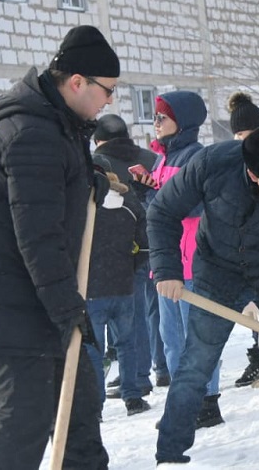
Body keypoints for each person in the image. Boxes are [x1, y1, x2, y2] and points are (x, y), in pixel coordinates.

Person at [0, 25, 119, 469]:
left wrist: (85, 181)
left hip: (39, 301)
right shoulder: (33, 133)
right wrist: (67, 307)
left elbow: (46, 195)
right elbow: (37, 234)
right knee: (22, 424)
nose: (110, 102)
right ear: (77, 82)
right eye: (108, 90)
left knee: (79, 417)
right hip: (14, 307)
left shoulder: (54, 123)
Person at [150, 124, 259, 464]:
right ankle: (169, 455)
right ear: (254, 174)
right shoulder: (212, 164)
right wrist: (166, 270)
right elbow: (163, 212)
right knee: (196, 365)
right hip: (219, 273)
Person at [134, 90, 222, 427]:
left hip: (193, 264)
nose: (155, 124)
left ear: (182, 122)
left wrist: (156, 195)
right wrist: (146, 189)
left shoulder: (195, 157)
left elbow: (196, 205)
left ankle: (207, 401)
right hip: (166, 263)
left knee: (197, 337)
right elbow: (159, 210)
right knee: (170, 339)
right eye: (155, 117)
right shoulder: (162, 159)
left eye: (162, 117)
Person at [92, 114, 169, 398]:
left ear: (98, 140)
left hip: (123, 251)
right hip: (160, 242)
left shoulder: (97, 163)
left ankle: (137, 376)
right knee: (158, 309)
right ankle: (163, 367)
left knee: (131, 316)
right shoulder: (152, 158)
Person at [83, 171, 151, 416]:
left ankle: (96, 405)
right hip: (124, 287)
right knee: (126, 344)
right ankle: (132, 397)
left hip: (92, 290)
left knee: (94, 349)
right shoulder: (130, 207)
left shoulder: (85, 209)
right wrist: (129, 269)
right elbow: (144, 246)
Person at [226, 91, 259, 389]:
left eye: (249, 132)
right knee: (256, 310)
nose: (244, 139)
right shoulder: (235, 163)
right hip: (249, 246)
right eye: (239, 134)